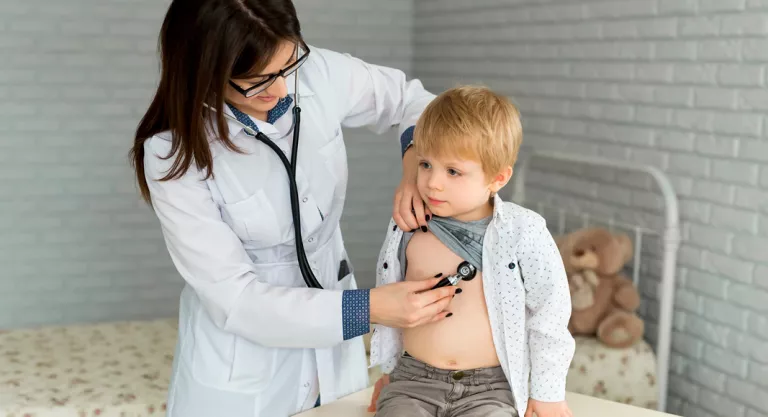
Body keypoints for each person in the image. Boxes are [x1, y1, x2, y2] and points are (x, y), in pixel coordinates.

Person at [128, 1, 459, 416]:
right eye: (256, 81)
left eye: (287, 67)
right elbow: (237, 300)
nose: (281, 89)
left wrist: (415, 160)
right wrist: (370, 308)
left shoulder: (315, 70)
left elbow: (417, 101)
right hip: (244, 371)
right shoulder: (171, 156)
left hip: (335, 362)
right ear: (204, 73)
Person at [367, 85, 576, 417]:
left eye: (453, 171)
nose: (433, 182)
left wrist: (548, 393)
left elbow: (550, 313)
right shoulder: (409, 223)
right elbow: (392, 305)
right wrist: (389, 373)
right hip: (413, 382)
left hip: (491, 390)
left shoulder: (522, 232)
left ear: (497, 178)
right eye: (425, 164)